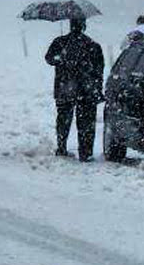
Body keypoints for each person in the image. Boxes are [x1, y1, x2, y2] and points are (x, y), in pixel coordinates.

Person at [44, 17, 105, 161]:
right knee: (86, 123)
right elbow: (99, 70)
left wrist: (61, 60)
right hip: (86, 90)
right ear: (84, 26)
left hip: (64, 88)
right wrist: (97, 88)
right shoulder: (92, 45)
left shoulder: (60, 42)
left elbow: (49, 58)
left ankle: (62, 147)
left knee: (63, 120)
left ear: (70, 25)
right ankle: (86, 153)